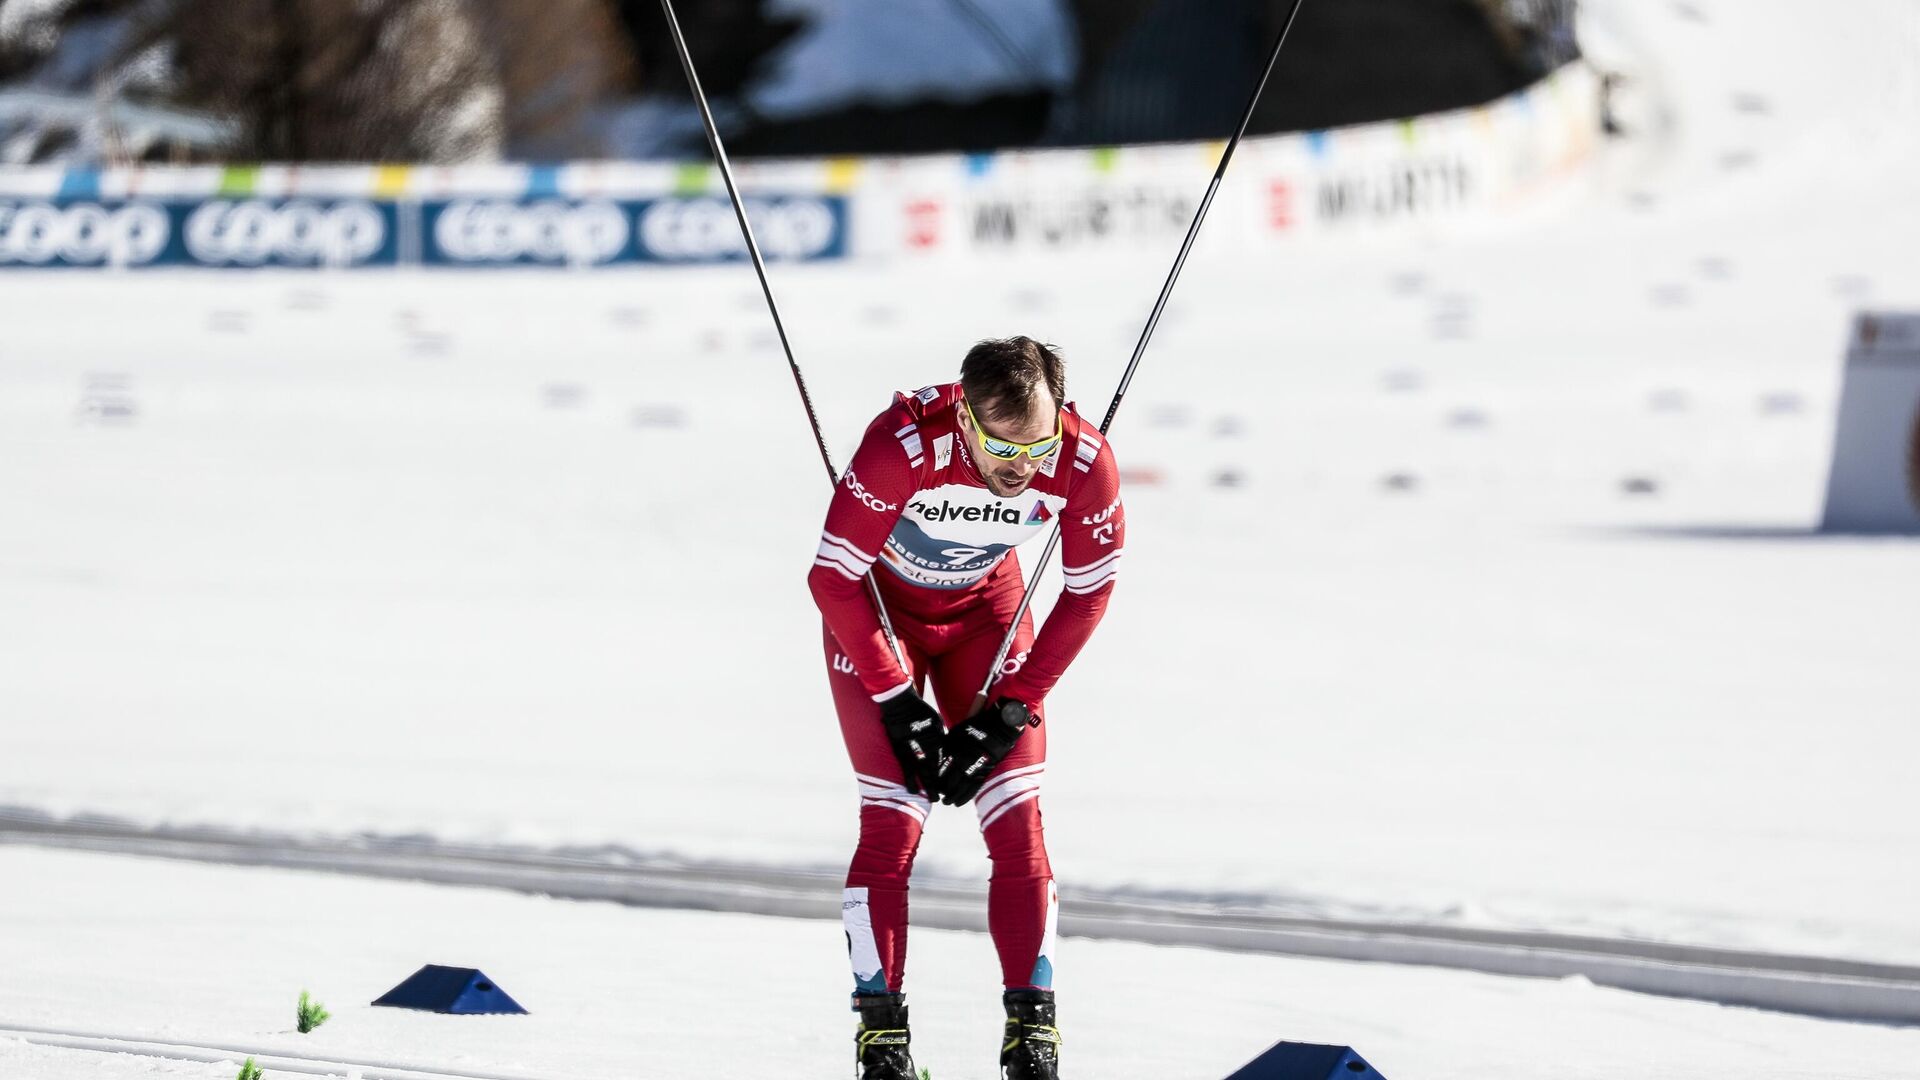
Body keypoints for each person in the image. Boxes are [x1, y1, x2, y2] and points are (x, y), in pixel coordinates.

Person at [808, 336, 1126, 1080]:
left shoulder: (1082, 461)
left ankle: (1032, 1038)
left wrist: (1014, 706)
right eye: (1002, 450)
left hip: (987, 618)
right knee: (892, 818)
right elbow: (832, 579)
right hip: (881, 617)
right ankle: (882, 1043)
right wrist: (896, 700)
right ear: (963, 421)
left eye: (1040, 447)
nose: (1024, 470)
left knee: (1018, 817)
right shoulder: (903, 446)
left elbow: (1090, 592)